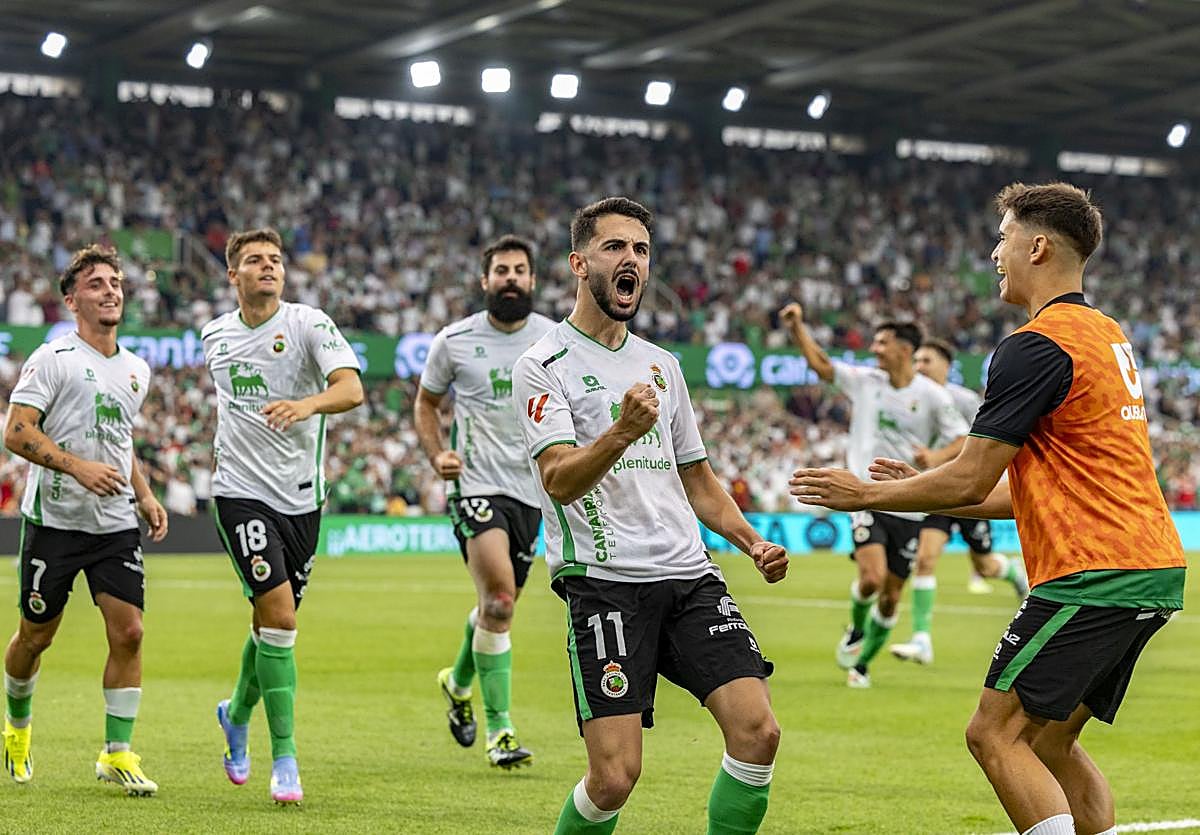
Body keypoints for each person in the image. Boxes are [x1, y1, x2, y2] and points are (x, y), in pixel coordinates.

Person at [790, 182, 1186, 835]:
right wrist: (919, 483)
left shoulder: (1034, 344)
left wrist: (865, 493)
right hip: (1150, 570)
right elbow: (1018, 490)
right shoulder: (1107, 335)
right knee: (1050, 743)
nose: (994, 252)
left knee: (993, 733)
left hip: (1092, 571)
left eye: (1001, 237)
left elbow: (970, 478)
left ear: (1036, 246)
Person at [512, 197, 789, 835]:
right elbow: (557, 479)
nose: (630, 260)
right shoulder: (544, 364)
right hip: (605, 583)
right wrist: (619, 432)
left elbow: (697, 476)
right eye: (614, 248)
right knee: (613, 778)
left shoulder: (663, 366)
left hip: (690, 576)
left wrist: (750, 541)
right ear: (580, 263)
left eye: (639, 249)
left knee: (759, 733)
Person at [202, 228, 364, 805]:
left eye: (274, 260)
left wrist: (306, 404)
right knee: (280, 618)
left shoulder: (308, 324)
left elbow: (351, 389)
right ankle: (286, 758)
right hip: (239, 493)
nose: (267, 267)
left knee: (271, 623)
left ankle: (236, 711)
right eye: (253, 260)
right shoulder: (214, 335)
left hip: (302, 499)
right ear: (233, 275)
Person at [2, 245, 168, 794]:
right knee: (34, 638)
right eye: (97, 284)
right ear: (72, 300)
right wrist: (77, 468)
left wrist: (144, 495)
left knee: (131, 633)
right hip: (54, 522)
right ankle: (17, 731)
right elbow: (18, 431)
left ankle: (117, 753)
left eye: (116, 282)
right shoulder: (53, 359)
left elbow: (121, 448)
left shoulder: (136, 369)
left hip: (114, 524)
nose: (111, 291)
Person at [416, 234, 555, 768]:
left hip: (534, 491)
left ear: (533, 280)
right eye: (502, 270)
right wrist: (436, 455)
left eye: (520, 270)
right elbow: (426, 404)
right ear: (485, 281)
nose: (511, 278)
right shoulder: (453, 340)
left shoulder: (554, 339)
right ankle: (501, 731)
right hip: (474, 484)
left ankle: (458, 681)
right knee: (499, 602)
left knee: (499, 608)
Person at [779, 305, 967, 687]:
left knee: (891, 597)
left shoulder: (932, 396)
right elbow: (823, 367)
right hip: (866, 494)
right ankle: (856, 628)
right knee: (871, 577)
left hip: (910, 502)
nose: (875, 349)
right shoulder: (866, 381)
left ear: (903, 349)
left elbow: (962, 440)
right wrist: (798, 327)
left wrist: (933, 457)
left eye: (882, 343)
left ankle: (862, 664)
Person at [889, 338, 1029, 666]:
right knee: (925, 560)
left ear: (946, 365)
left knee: (985, 566)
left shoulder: (965, 401)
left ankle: (1014, 573)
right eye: (918, 360)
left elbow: (978, 441)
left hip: (968, 491)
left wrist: (937, 456)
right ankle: (922, 639)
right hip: (936, 490)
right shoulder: (913, 400)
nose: (920, 366)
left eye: (927, 360)